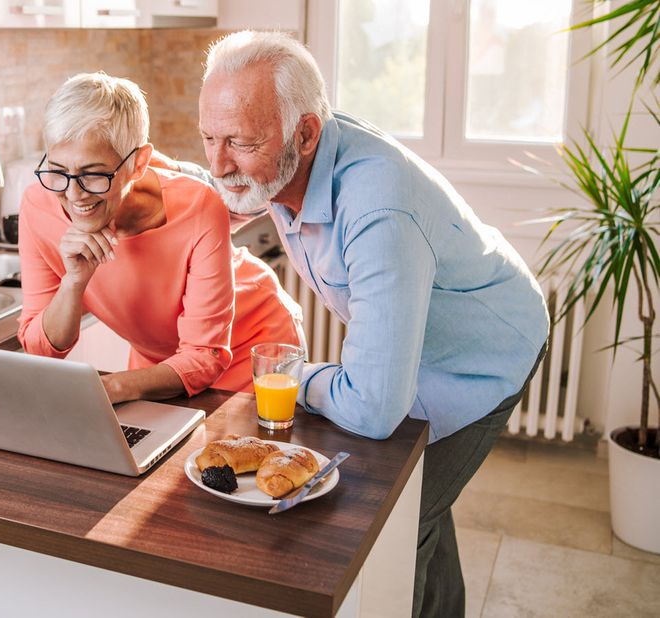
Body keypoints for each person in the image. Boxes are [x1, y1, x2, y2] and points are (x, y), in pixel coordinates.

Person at [195, 31, 549, 617]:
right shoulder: (283, 155)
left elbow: (373, 408)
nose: (218, 162)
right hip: (412, 347)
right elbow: (214, 184)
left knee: (394, 535)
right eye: (210, 136)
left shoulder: (379, 209)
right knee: (419, 508)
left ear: (305, 133)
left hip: (483, 354)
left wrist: (296, 376)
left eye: (239, 141)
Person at [17, 72, 303, 404]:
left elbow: (203, 356)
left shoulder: (198, 206)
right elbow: (39, 348)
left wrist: (111, 388)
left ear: (137, 164)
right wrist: (73, 282)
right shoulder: (38, 206)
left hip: (253, 351)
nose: (73, 193)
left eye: (93, 174)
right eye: (58, 170)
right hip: (157, 369)